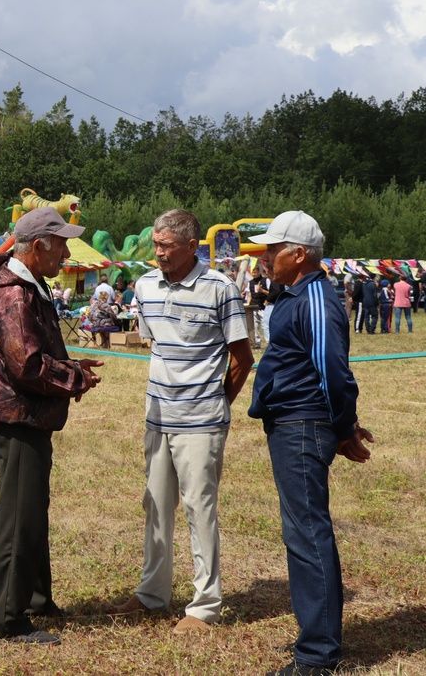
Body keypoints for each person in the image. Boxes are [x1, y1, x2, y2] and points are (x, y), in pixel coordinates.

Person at [109, 209, 253, 634]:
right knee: (155, 505)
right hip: (157, 417)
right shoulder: (145, 286)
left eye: (167, 246)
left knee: (199, 509)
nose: (158, 253)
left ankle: (205, 606)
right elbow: (155, 342)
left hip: (202, 421)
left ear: (192, 247)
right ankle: (152, 595)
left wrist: (216, 404)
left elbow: (242, 359)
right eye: (156, 245)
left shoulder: (220, 288)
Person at [248, 211, 374, 675]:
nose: (263, 258)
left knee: (307, 533)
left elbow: (335, 373)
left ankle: (318, 655)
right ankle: (317, 640)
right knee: (301, 530)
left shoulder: (316, 299)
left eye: (271, 250)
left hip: (303, 426)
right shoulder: (296, 294)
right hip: (292, 424)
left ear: (298, 255)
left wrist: (343, 430)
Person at [0, 207, 102, 646]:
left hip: (28, 417)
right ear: (39, 245)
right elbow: (26, 365)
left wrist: (68, 365)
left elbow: (32, 354)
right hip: (19, 417)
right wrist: (75, 377)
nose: (66, 253)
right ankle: (8, 619)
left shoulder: (29, 286)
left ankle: (34, 598)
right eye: (62, 243)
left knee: (31, 513)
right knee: (18, 518)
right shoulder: (14, 295)